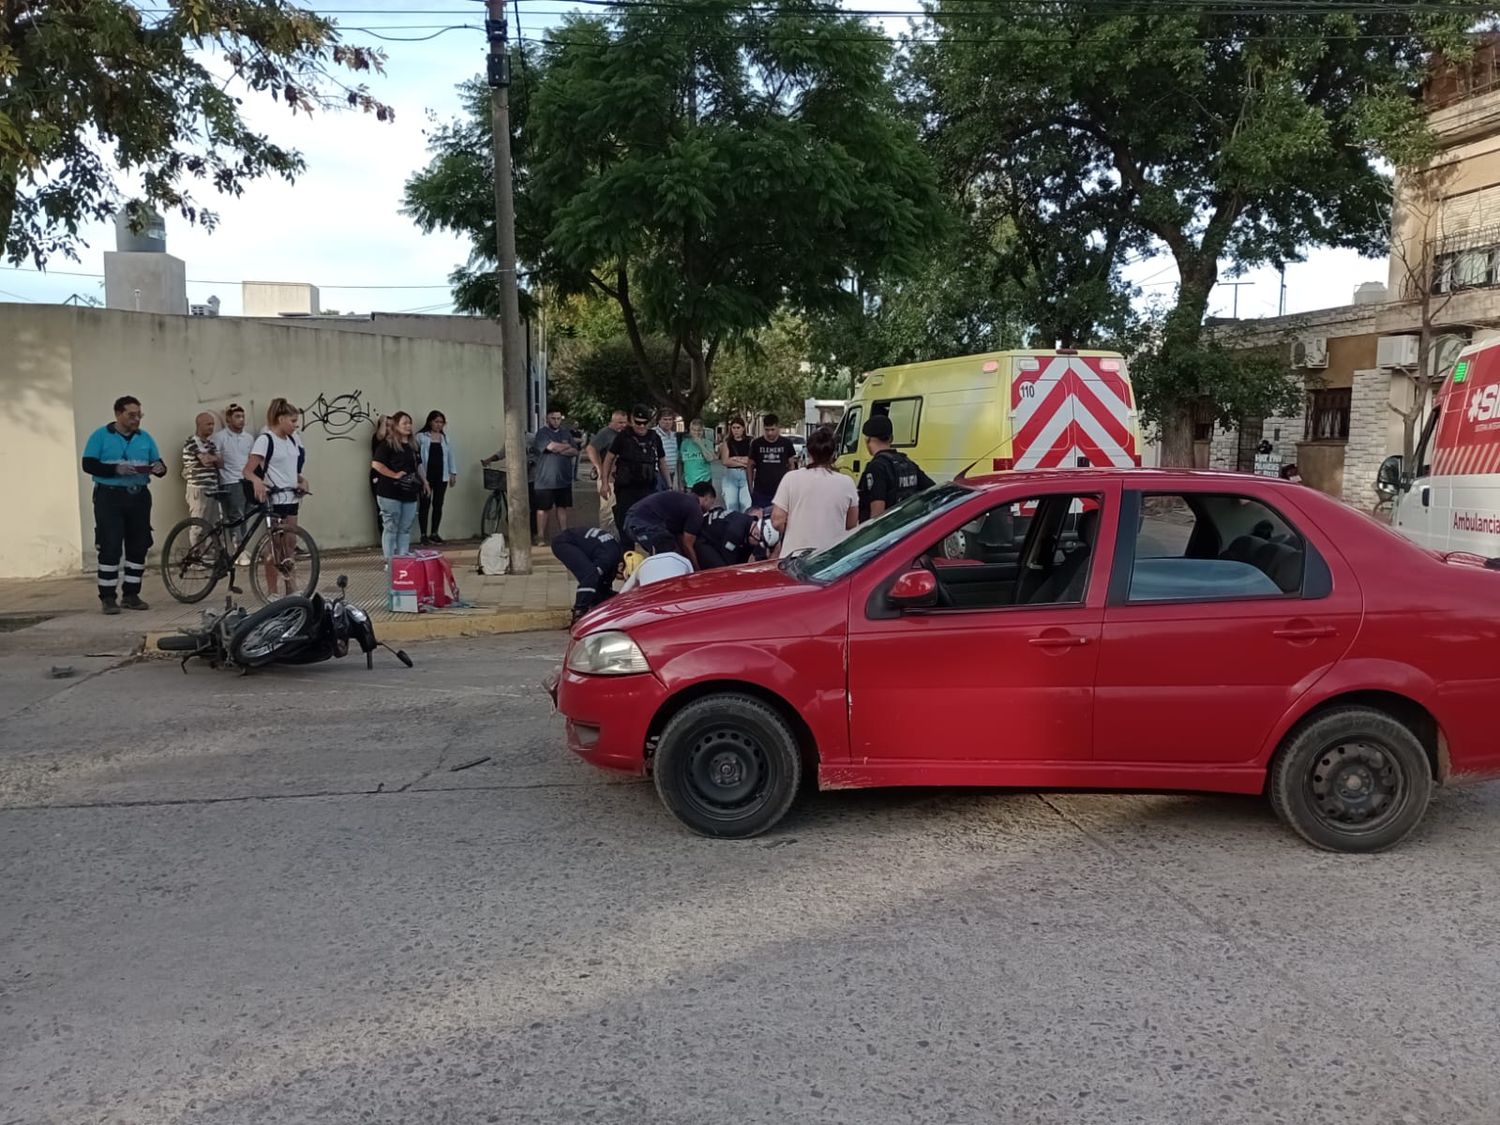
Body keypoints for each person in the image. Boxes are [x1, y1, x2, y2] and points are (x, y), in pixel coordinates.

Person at [80, 395, 167, 614]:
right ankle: (108, 597)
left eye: (139, 415)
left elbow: (159, 463)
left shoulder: (145, 438)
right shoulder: (100, 436)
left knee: (139, 545)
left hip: (138, 496)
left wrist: (159, 468)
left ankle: (131, 594)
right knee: (110, 546)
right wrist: (114, 469)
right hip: (110, 496)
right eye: (131, 415)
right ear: (118, 414)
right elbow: (88, 464)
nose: (136, 419)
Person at [244, 398, 311, 597]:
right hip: (275, 499)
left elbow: (292, 469)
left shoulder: (292, 440)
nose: (295, 425)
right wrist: (257, 482)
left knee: (290, 545)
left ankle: (291, 589)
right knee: (275, 547)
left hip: (291, 498)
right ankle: (272, 592)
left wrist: (302, 481)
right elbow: (248, 470)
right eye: (292, 421)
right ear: (280, 419)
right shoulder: (266, 440)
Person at [771, 426, 858, 557]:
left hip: (794, 556)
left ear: (809, 452)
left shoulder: (791, 478)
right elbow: (851, 524)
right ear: (833, 454)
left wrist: (794, 530)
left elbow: (777, 520)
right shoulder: (847, 483)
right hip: (831, 559)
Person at [601, 406, 669, 535]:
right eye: (638, 422)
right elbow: (609, 458)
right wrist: (604, 483)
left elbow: (662, 462)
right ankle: (627, 552)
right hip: (626, 488)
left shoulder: (654, 437)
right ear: (632, 421)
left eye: (645, 423)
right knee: (625, 523)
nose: (641, 426)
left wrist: (669, 485)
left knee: (649, 523)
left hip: (648, 487)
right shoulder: (623, 436)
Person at [371, 411, 426, 562]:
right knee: (391, 526)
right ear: (396, 426)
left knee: (405, 527)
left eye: (410, 423)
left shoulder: (413, 445)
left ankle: (402, 559)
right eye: (404, 423)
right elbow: (376, 464)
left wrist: (424, 481)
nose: (408, 426)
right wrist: (393, 474)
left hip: (409, 491)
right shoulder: (387, 444)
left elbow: (418, 464)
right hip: (390, 491)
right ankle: (390, 561)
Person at [621, 481, 717, 568]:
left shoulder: (682, 500)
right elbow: (687, 545)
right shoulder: (695, 509)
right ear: (707, 497)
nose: (709, 509)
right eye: (711, 503)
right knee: (670, 558)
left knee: (668, 554)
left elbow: (680, 538)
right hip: (643, 524)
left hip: (631, 520)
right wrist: (696, 569)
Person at [858, 415, 935, 522]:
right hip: (905, 528)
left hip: (886, 531)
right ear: (891, 438)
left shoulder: (876, 467)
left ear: (868, 440)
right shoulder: (907, 463)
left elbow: (877, 509)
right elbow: (932, 490)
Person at [551, 526, 625, 623]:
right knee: (590, 575)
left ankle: (595, 608)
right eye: (624, 576)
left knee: (600, 585)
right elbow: (592, 576)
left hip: (576, 539)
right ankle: (579, 613)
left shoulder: (616, 552)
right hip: (564, 542)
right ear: (621, 566)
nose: (622, 579)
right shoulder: (608, 559)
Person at [533, 408, 580, 546]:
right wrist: (565, 447)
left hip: (563, 479)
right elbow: (550, 447)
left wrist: (561, 448)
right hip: (545, 479)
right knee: (543, 509)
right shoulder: (542, 433)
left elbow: (575, 451)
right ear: (547, 419)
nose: (556, 421)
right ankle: (541, 536)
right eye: (553, 418)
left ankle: (564, 534)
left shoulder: (565, 433)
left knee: (562, 507)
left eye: (559, 418)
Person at [417, 410, 458, 544]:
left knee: (438, 504)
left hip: (442, 475)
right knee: (424, 504)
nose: (439, 425)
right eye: (436, 421)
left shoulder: (445, 438)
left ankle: (434, 532)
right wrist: (422, 477)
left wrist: (453, 473)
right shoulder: (421, 437)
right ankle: (423, 534)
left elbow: (450, 456)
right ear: (430, 422)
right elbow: (416, 457)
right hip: (426, 476)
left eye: (441, 422)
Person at [212, 402, 256, 527]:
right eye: (237, 416)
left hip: (247, 480)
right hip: (231, 481)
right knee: (236, 515)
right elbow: (216, 458)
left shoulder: (248, 438)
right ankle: (238, 544)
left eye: (242, 416)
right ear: (228, 419)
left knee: (247, 515)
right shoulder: (220, 437)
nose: (241, 420)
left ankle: (243, 544)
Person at [697, 509, 779, 570]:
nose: (757, 546)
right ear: (755, 534)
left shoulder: (749, 521)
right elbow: (730, 564)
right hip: (702, 539)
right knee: (724, 571)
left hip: (715, 533)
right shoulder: (735, 533)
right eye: (758, 544)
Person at [618, 529, 693, 593]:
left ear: (653, 549)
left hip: (651, 605)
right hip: (677, 600)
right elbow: (693, 585)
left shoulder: (643, 564)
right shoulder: (683, 561)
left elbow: (624, 592)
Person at [181, 411, 221, 528]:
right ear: (199, 425)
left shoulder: (211, 444)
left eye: (212, 424)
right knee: (199, 524)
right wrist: (214, 458)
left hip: (213, 488)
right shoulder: (192, 442)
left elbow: (221, 463)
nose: (211, 427)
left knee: (213, 524)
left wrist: (213, 458)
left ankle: (210, 546)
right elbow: (206, 461)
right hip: (199, 489)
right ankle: (198, 547)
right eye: (208, 424)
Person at [750, 413, 797, 510]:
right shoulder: (756, 444)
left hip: (781, 491)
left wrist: (791, 487)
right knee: (759, 521)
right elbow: (749, 466)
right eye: (767, 430)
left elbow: (791, 466)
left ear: (778, 427)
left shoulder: (786, 443)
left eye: (772, 429)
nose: (770, 433)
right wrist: (750, 487)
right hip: (760, 492)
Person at [718, 416, 754, 513]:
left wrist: (735, 458)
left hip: (746, 475)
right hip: (731, 475)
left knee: (746, 507)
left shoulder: (750, 441)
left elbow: (750, 460)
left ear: (743, 428)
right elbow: (725, 461)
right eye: (734, 428)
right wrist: (743, 462)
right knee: (732, 507)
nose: (736, 430)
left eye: (738, 428)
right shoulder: (727, 442)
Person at [678, 417, 715, 491]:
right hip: (689, 483)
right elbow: (680, 463)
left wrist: (700, 444)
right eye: (694, 430)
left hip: (705, 481)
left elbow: (710, 458)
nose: (696, 433)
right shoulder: (685, 443)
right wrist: (680, 481)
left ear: (702, 431)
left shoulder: (708, 443)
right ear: (690, 430)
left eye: (699, 430)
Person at [369, 414, 391, 542]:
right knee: (382, 508)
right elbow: (381, 435)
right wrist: (383, 421)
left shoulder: (397, 441)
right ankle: (384, 538)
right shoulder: (378, 439)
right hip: (379, 476)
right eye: (386, 426)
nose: (389, 428)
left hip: (393, 477)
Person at [654, 409, 680, 490]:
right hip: (657, 472)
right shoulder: (653, 433)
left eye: (670, 419)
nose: (667, 422)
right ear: (659, 420)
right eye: (665, 419)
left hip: (671, 473)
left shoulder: (674, 435)